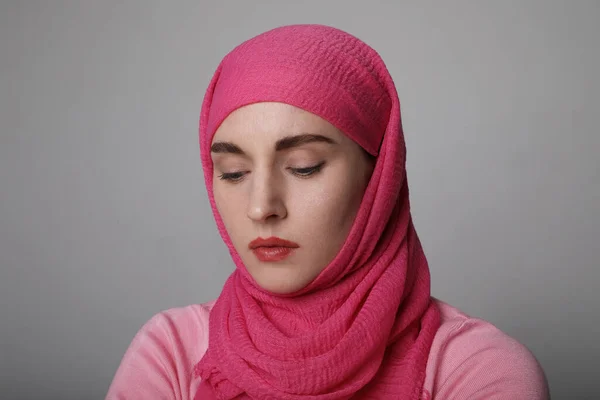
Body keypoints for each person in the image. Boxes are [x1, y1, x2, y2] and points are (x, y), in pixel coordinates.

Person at [106, 24, 549, 399]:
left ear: (380, 177)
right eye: (234, 172)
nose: (262, 207)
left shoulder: (476, 369)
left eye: (304, 167)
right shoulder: (172, 352)